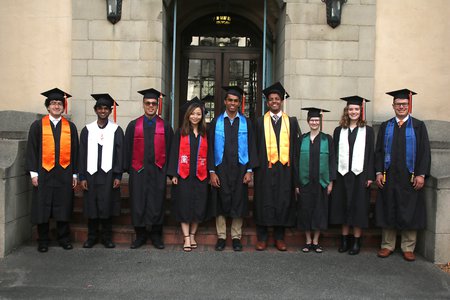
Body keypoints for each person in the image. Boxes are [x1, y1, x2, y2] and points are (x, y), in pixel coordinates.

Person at [375, 89, 431, 262]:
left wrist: (421, 174)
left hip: (410, 177)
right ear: (393, 106)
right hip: (389, 176)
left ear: (409, 106)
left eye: (404, 104)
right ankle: (387, 245)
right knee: (388, 207)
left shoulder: (418, 126)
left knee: (410, 209)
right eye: (398, 104)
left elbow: (424, 152)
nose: (401, 107)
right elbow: (378, 152)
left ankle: (408, 247)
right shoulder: (386, 126)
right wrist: (378, 172)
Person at [26, 88, 79, 252]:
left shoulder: (70, 127)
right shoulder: (37, 126)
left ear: (63, 107)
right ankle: (43, 240)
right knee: (42, 206)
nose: (56, 106)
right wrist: (33, 173)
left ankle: (64, 238)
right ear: (48, 107)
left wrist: (75, 173)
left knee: (63, 205)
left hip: (64, 173)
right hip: (44, 173)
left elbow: (76, 151)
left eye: (59, 103)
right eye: (53, 103)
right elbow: (32, 150)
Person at [208, 86, 258, 251]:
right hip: (221, 168)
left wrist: (250, 170)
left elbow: (252, 146)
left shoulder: (246, 122)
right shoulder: (216, 122)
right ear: (225, 102)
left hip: (240, 168)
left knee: (239, 201)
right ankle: (221, 237)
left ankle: (236, 237)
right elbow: (209, 148)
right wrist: (212, 171)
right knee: (220, 201)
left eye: (236, 101)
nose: (232, 103)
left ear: (239, 103)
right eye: (230, 100)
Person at [253, 82, 300, 251]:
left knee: (283, 200)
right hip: (265, 169)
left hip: (285, 169)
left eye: (277, 99)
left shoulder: (292, 122)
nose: (274, 101)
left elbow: (296, 148)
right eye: (271, 99)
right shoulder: (259, 122)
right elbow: (254, 147)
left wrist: (295, 174)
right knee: (264, 200)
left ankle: (280, 238)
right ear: (267, 102)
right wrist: (254, 168)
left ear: (281, 101)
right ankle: (262, 237)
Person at [124, 88, 173, 249]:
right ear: (143, 104)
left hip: (158, 171)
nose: (151, 106)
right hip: (138, 171)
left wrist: (169, 172)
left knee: (157, 202)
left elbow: (171, 149)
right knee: (138, 202)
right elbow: (127, 148)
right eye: (148, 103)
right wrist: (129, 169)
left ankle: (156, 235)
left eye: (154, 103)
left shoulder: (165, 127)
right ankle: (140, 235)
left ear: (158, 105)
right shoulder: (133, 126)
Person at [329, 96, 375, 255]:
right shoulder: (338, 130)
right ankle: (344, 240)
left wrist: (370, 175)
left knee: (358, 208)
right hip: (342, 175)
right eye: (350, 109)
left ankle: (356, 242)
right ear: (346, 111)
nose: (353, 112)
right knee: (343, 206)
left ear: (361, 111)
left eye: (356, 109)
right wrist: (332, 176)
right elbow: (333, 155)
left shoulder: (368, 131)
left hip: (360, 176)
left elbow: (370, 155)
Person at [78, 94, 124, 249]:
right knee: (92, 205)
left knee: (107, 205)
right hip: (91, 175)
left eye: (106, 108)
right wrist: (82, 176)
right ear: (95, 110)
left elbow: (120, 154)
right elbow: (82, 154)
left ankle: (106, 237)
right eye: (100, 108)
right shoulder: (87, 130)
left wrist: (118, 175)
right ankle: (91, 237)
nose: (103, 111)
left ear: (110, 111)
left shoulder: (116, 130)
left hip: (109, 175)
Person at [167, 97, 209, 252]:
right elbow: (173, 153)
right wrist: (174, 174)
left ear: (202, 116)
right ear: (188, 115)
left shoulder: (205, 133)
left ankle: (192, 235)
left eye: (198, 114)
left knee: (198, 205)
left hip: (200, 176)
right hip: (184, 176)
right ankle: (186, 238)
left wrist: (210, 172)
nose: (195, 117)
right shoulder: (180, 132)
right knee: (184, 205)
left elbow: (210, 154)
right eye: (193, 114)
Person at [297, 107, 336, 253]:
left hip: (322, 182)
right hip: (305, 182)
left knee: (320, 211)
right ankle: (307, 241)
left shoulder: (327, 139)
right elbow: (296, 161)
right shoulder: (302, 139)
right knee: (306, 210)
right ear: (308, 121)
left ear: (320, 121)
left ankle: (316, 241)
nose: (314, 122)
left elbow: (333, 160)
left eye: (316, 120)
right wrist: (297, 183)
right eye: (312, 120)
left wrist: (331, 181)